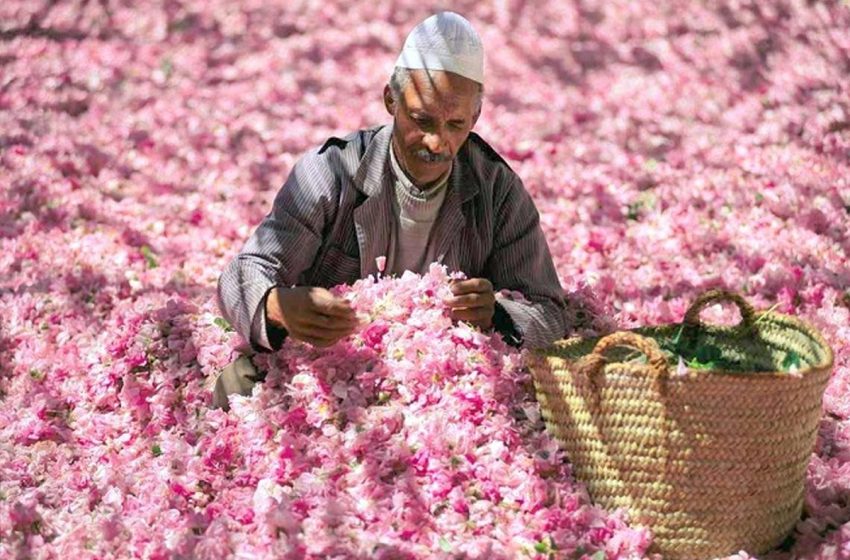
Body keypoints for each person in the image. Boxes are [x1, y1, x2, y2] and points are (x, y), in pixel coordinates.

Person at [212, 12, 567, 410]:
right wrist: (277, 306)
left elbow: (550, 312)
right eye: (422, 120)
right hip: (328, 374)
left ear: (476, 118)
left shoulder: (497, 191)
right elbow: (244, 272)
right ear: (390, 100)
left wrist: (498, 315)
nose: (437, 141)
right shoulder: (333, 173)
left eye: (455, 124)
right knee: (238, 386)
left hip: (443, 393)